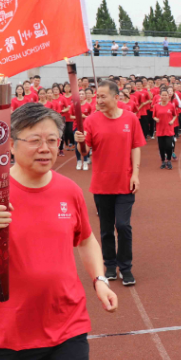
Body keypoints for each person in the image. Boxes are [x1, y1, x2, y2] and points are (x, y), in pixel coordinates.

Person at [0, 103, 117, 360]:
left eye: (52, 140)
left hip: (67, 323)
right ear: (11, 145)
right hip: (11, 332)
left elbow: (87, 240)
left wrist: (100, 280)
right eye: (35, 140)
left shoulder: (69, 190)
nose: (45, 148)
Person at [77, 81, 145, 286]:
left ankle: (125, 267)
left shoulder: (130, 118)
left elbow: (135, 147)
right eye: (97, 97)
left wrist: (135, 174)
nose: (99, 100)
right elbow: (84, 152)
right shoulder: (91, 121)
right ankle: (109, 265)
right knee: (106, 228)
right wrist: (80, 141)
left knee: (123, 226)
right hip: (102, 184)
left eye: (103, 96)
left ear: (116, 97)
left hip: (125, 182)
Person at [152, 89, 177, 169]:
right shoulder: (156, 106)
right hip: (160, 129)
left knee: (169, 146)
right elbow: (153, 116)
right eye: (162, 95)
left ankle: (169, 160)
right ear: (160, 96)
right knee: (161, 147)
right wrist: (156, 119)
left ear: (168, 96)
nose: (164, 96)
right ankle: (163, 161)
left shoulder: (171, 106)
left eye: (165, 95)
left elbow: (175, 115)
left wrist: (172, 121)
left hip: (169, 129)